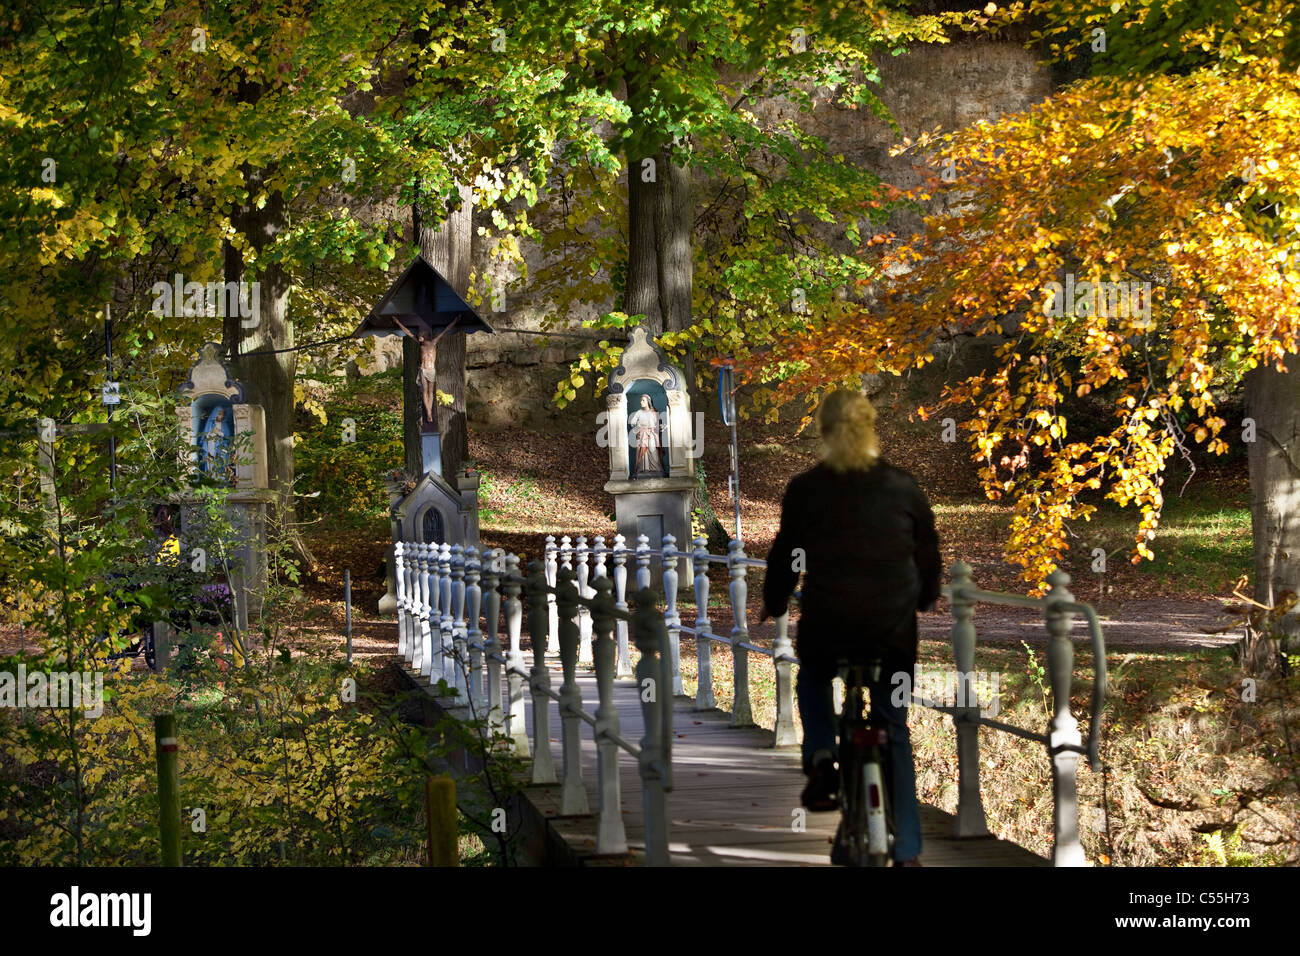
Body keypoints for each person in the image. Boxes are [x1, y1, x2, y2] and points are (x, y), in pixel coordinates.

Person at [761, 389, 940, 867]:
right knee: (894, 729)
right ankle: (908, 852)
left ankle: (821, 760)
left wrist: (774, 600)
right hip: (892, 631)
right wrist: (922, 598)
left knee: (813, 679)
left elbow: (785, 556)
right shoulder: (904, 487)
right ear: (871, 427)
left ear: (823, 431)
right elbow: (928, 555)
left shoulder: (807, 488)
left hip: (829, 624)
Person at [629, 393, 663, 476]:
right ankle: (643, 469)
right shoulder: (639, 412)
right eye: (641, 400)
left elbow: (658, 423)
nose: (641, 402)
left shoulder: (654, 412)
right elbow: (632, 422)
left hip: (651, 434)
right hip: (642, 435)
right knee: (643, 451)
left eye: (643, 400)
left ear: (648, 401)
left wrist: (661, 427)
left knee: (652, 449)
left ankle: (656, 469)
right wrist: (638, 425)